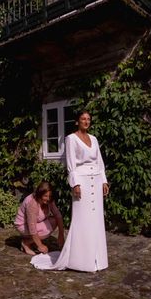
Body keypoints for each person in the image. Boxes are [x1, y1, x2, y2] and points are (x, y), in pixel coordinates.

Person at [31, 110, 109, 272]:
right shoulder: (71, 139)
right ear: (77, 121)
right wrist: (75, 184)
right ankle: (81, 260)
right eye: (83, 119)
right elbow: (71, 163)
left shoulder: (94, 139)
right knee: (83, 219)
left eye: (88, 119)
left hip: (95, 180)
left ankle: (97, 259)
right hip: (82, 183)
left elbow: (99, 162)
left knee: (96, 220)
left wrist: (104, 180)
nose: (86, 121)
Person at [14, 181, 65, 256]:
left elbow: (58, 215)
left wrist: (61, 235)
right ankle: (25, 243)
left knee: (54, 221)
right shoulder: (32, 204)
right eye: (45, 196)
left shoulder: (49, 200)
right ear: (40, 194)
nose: (48, 199)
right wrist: (40, 245)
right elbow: (32, 228)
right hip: (23, 225)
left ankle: (33, 241)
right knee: (45, 230)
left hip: (36, 222)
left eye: (50, 196)